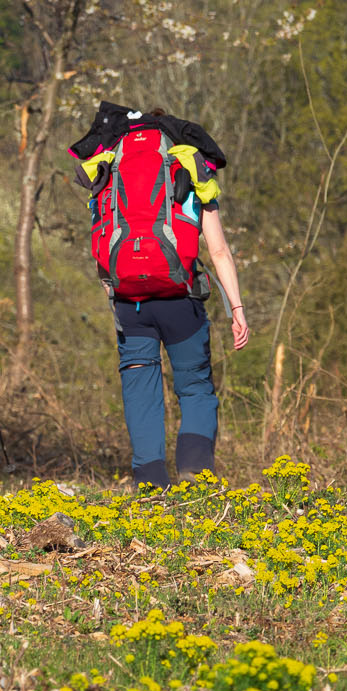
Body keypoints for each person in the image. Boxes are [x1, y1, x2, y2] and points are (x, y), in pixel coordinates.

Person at [114, 207, 250, 486]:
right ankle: (194, 471)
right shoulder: (193, 173)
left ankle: (151, 484)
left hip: (130, 304)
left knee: (140, 393)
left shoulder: (113, 171)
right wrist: (236, 307)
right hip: (181, 300)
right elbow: (220, 251)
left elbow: (103, 244)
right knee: (195, 388)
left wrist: (115, 291)